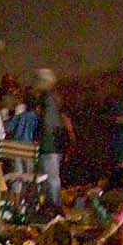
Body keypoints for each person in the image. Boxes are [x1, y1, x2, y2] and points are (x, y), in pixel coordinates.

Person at [32, 68, 69, 209]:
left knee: (50, 177)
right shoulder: (51, 98)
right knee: (48, 177)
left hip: (49, 145)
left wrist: (40, 138)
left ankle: (54, 207)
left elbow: (49, 123)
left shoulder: (47, 99)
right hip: (52, 144)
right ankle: (49, 206)